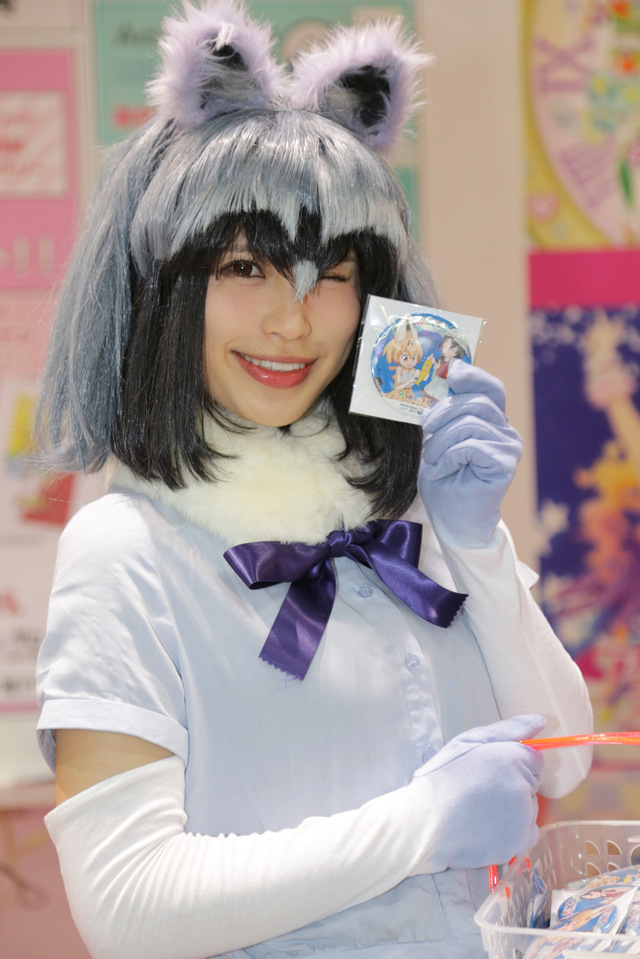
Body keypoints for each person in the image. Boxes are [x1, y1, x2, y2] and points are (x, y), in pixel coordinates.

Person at [34, 4, 593, 959]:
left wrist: (476, 543)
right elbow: (128, 908)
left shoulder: (404, 512)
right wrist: (422, 823)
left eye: (331, 272)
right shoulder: (124, 551)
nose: (294, 322)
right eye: (244, 265)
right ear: (166, 288)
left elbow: (564, 762)